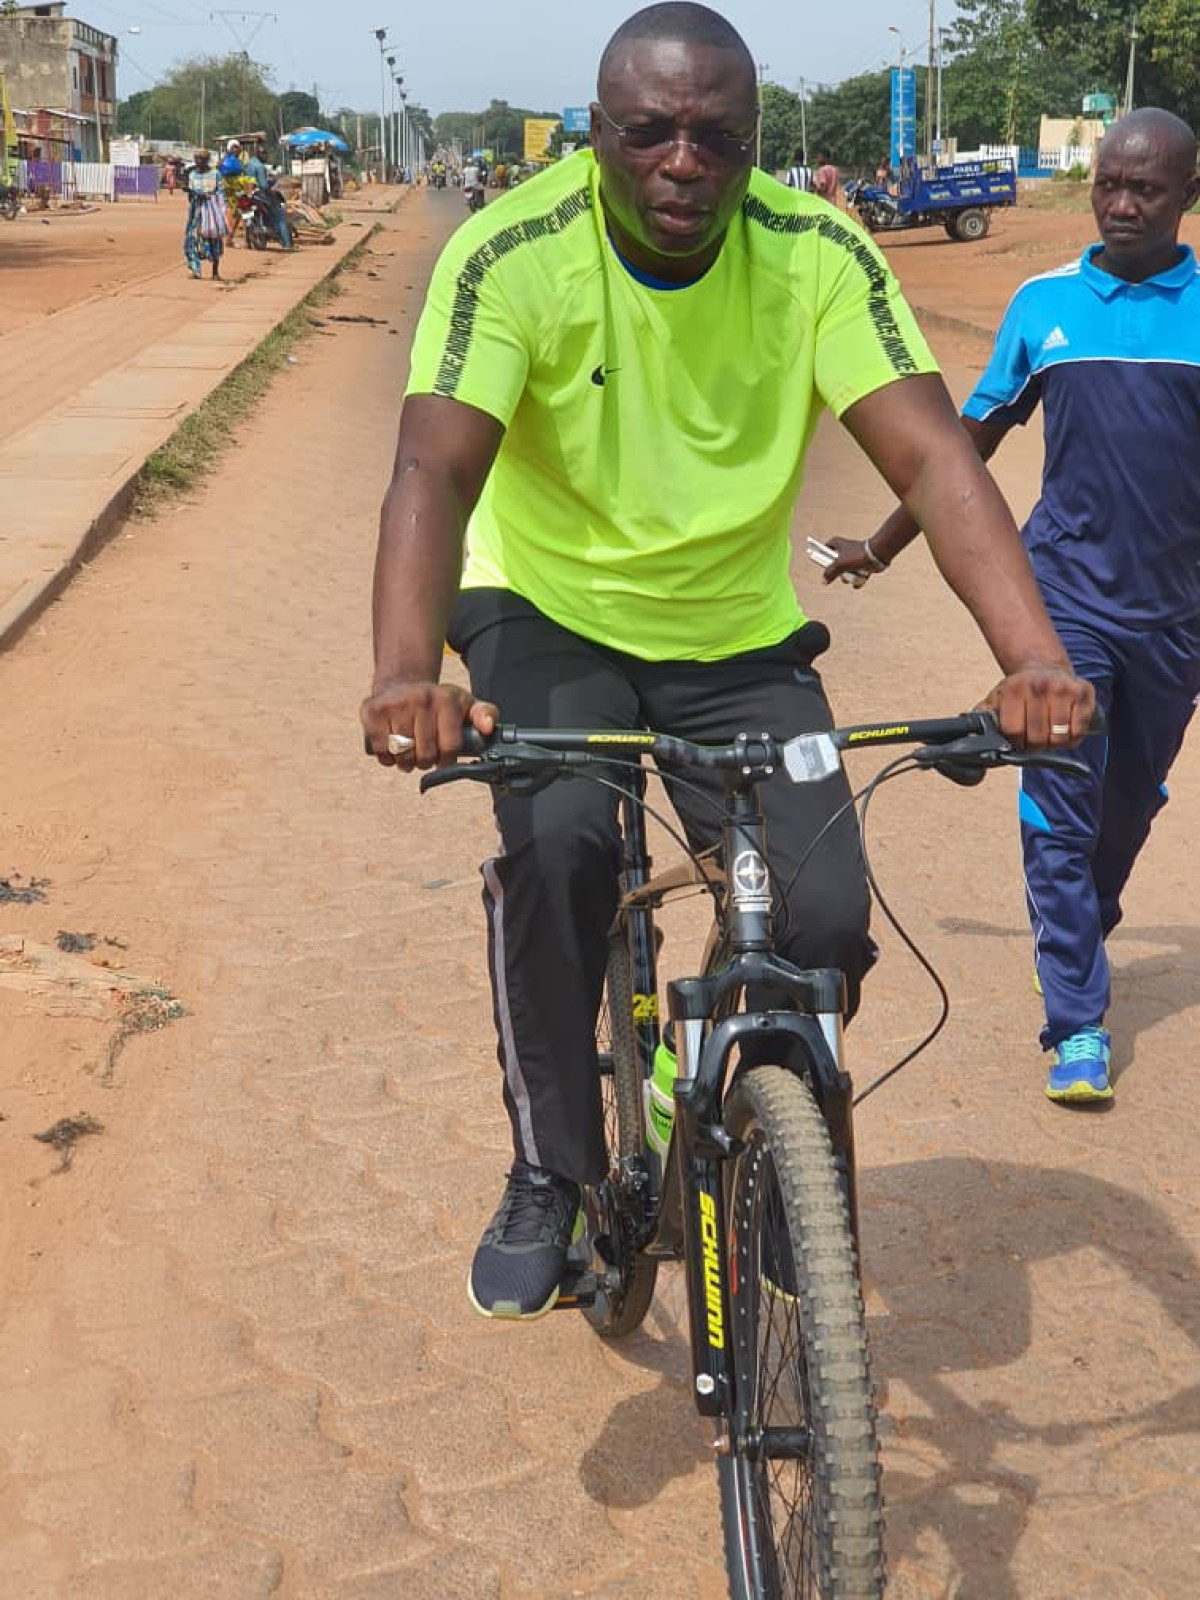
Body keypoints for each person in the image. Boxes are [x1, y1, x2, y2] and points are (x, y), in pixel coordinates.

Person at [361, 1, 1093, 1321]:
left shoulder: (815, 251)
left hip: (739, 634)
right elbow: (433, 466)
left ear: (755, 141)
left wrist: (1030, 659)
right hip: (548, 611)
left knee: (820, 924)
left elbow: (932, 455)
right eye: (649, 132)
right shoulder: (513, 252)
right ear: (598, 135)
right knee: (565, 841)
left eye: (715, 136)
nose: (682, 163)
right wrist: (410, 671)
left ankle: (737, 1130)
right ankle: (552, 1165)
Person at [821, 107, 1200, 1107]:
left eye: (1146, 190)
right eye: (1109, 184)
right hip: (1062, 599)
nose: (1120, 203)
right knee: (1063, 809)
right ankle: (1077, 1020)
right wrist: (881, 545)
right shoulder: (1044, 303)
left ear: (1186, 198)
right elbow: (962, 448)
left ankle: (1079, 929)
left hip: (1177, 617)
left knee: (1131, 802)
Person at [183, 148, 229, 280]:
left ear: (207, 160)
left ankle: (215, 272)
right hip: (196, 212)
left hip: (211, 211)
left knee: (214, 239)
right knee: (192, 239)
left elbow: (221, 193)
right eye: (197, 159)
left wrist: (209, 197)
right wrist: (191, 193)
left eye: (202, 159)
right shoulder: (192, 175)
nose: (199, 162)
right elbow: (190, 197)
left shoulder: (215, 174)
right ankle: (195, 270)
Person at [218, 138, 248, 244]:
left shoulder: (239, 161)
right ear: (229, 149)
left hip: (238, 189)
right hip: (232, 190)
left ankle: (232, 237)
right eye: (233, 148)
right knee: (237, 212)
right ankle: (229, 238)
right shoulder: (226, 160)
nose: (236, 150)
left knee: (239, 212)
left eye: (237, 148)